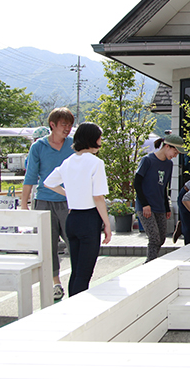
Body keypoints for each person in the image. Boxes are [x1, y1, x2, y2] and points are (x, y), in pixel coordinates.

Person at [43, 122, 111, 297]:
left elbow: (48, 183)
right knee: (84, 273)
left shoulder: (68, 161)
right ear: (92, 139)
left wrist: (70, 193)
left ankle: (71, 303)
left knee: (77, 271)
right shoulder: (96, 163)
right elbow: (98, 197)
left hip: (72, 219)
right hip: (89, 219)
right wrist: (107, 224)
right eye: (99, 138)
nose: (101, 141)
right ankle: (77, 308)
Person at [21, 108, 75, 300]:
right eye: (64, 124)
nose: (67, 128)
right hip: (44, 201)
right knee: (48, 246)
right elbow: (30, 176)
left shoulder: (73, 145)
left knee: (74, 242)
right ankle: (56, 284)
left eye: (70, 125)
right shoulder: (38, 147)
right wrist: (24, 204)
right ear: (52, 125)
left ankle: (77, 283)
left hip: (69, 202)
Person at [135, 134, 185, 262]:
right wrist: (144, 204)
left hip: (160, 206)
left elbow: (164, 187)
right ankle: (149, 264)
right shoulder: (147, 160)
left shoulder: (169, 164)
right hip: (145, 206)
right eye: (175, 152)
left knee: (161, 238)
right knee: (154, 238)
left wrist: (167, 207)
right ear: (167, 146)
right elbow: (137, 183)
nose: (175, 156)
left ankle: (151, 262)